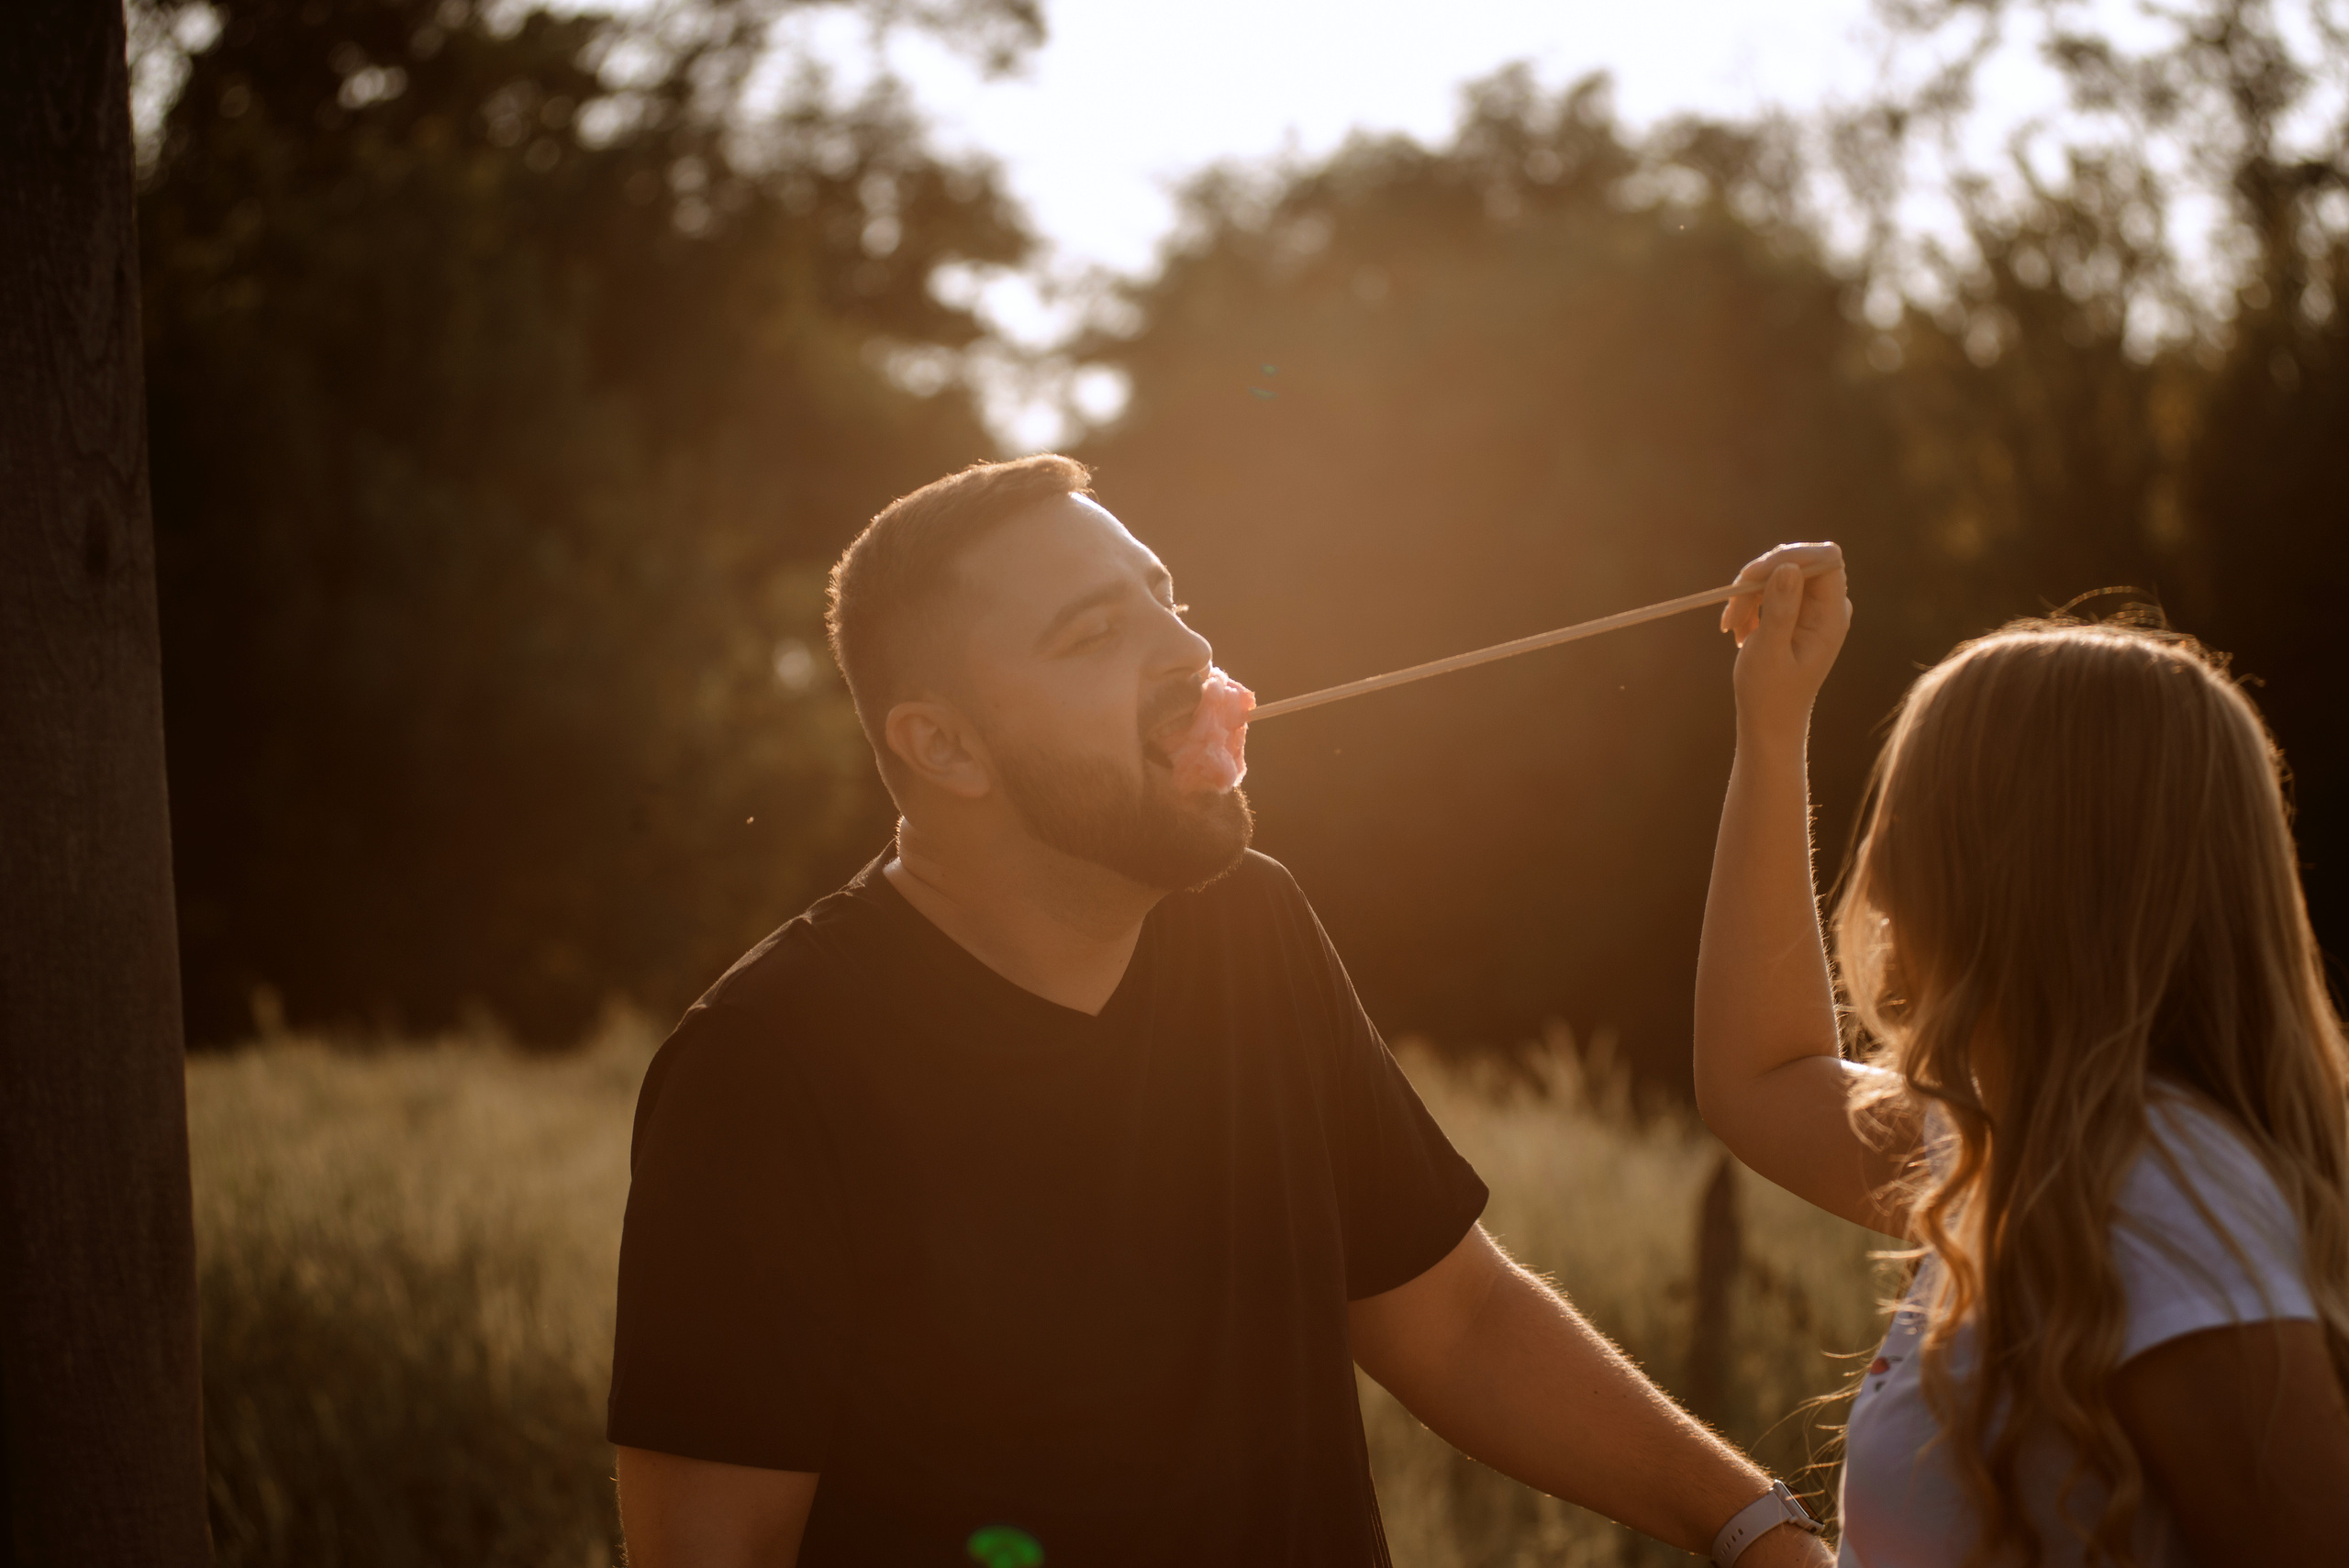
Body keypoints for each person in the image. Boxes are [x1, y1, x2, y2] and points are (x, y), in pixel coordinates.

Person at [607, 454, 1836, 1567]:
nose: (1184, 649)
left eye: (1167, 596)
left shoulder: (1249, 927)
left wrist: (1757, 1530)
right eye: (1095, 633)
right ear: (945, 747)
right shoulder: (765, 1065)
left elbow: (1454, 1320)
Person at [1694, 554, 2349, 1565]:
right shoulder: (2025, 1139)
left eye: (1912, 815)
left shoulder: (2150, 1185)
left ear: (2004, 876)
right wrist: (1771, 727)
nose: (1883, 860)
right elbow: (1762, 1079)